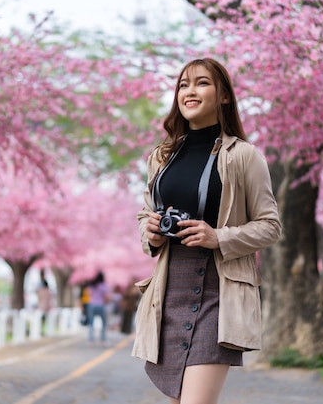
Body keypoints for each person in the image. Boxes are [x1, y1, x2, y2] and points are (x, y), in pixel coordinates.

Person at [133, 57, 282, 403]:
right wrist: (151, 233)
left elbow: (270, 226)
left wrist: (219, 236)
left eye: (201, 83)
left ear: (224, 96)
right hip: (169, 293)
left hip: (219, 291)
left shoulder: (244, 156)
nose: (189, 91)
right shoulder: (162, 156)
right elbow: (146, 215)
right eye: (183, 84)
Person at [86, 271, 110, 345]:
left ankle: (90, 340)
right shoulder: (104, 286)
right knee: (103, 323)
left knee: (91, 323)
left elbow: (88, 295)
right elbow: (107, 297)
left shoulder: (92, 286)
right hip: (101, 305)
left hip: (92, 305)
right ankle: (103, 340)